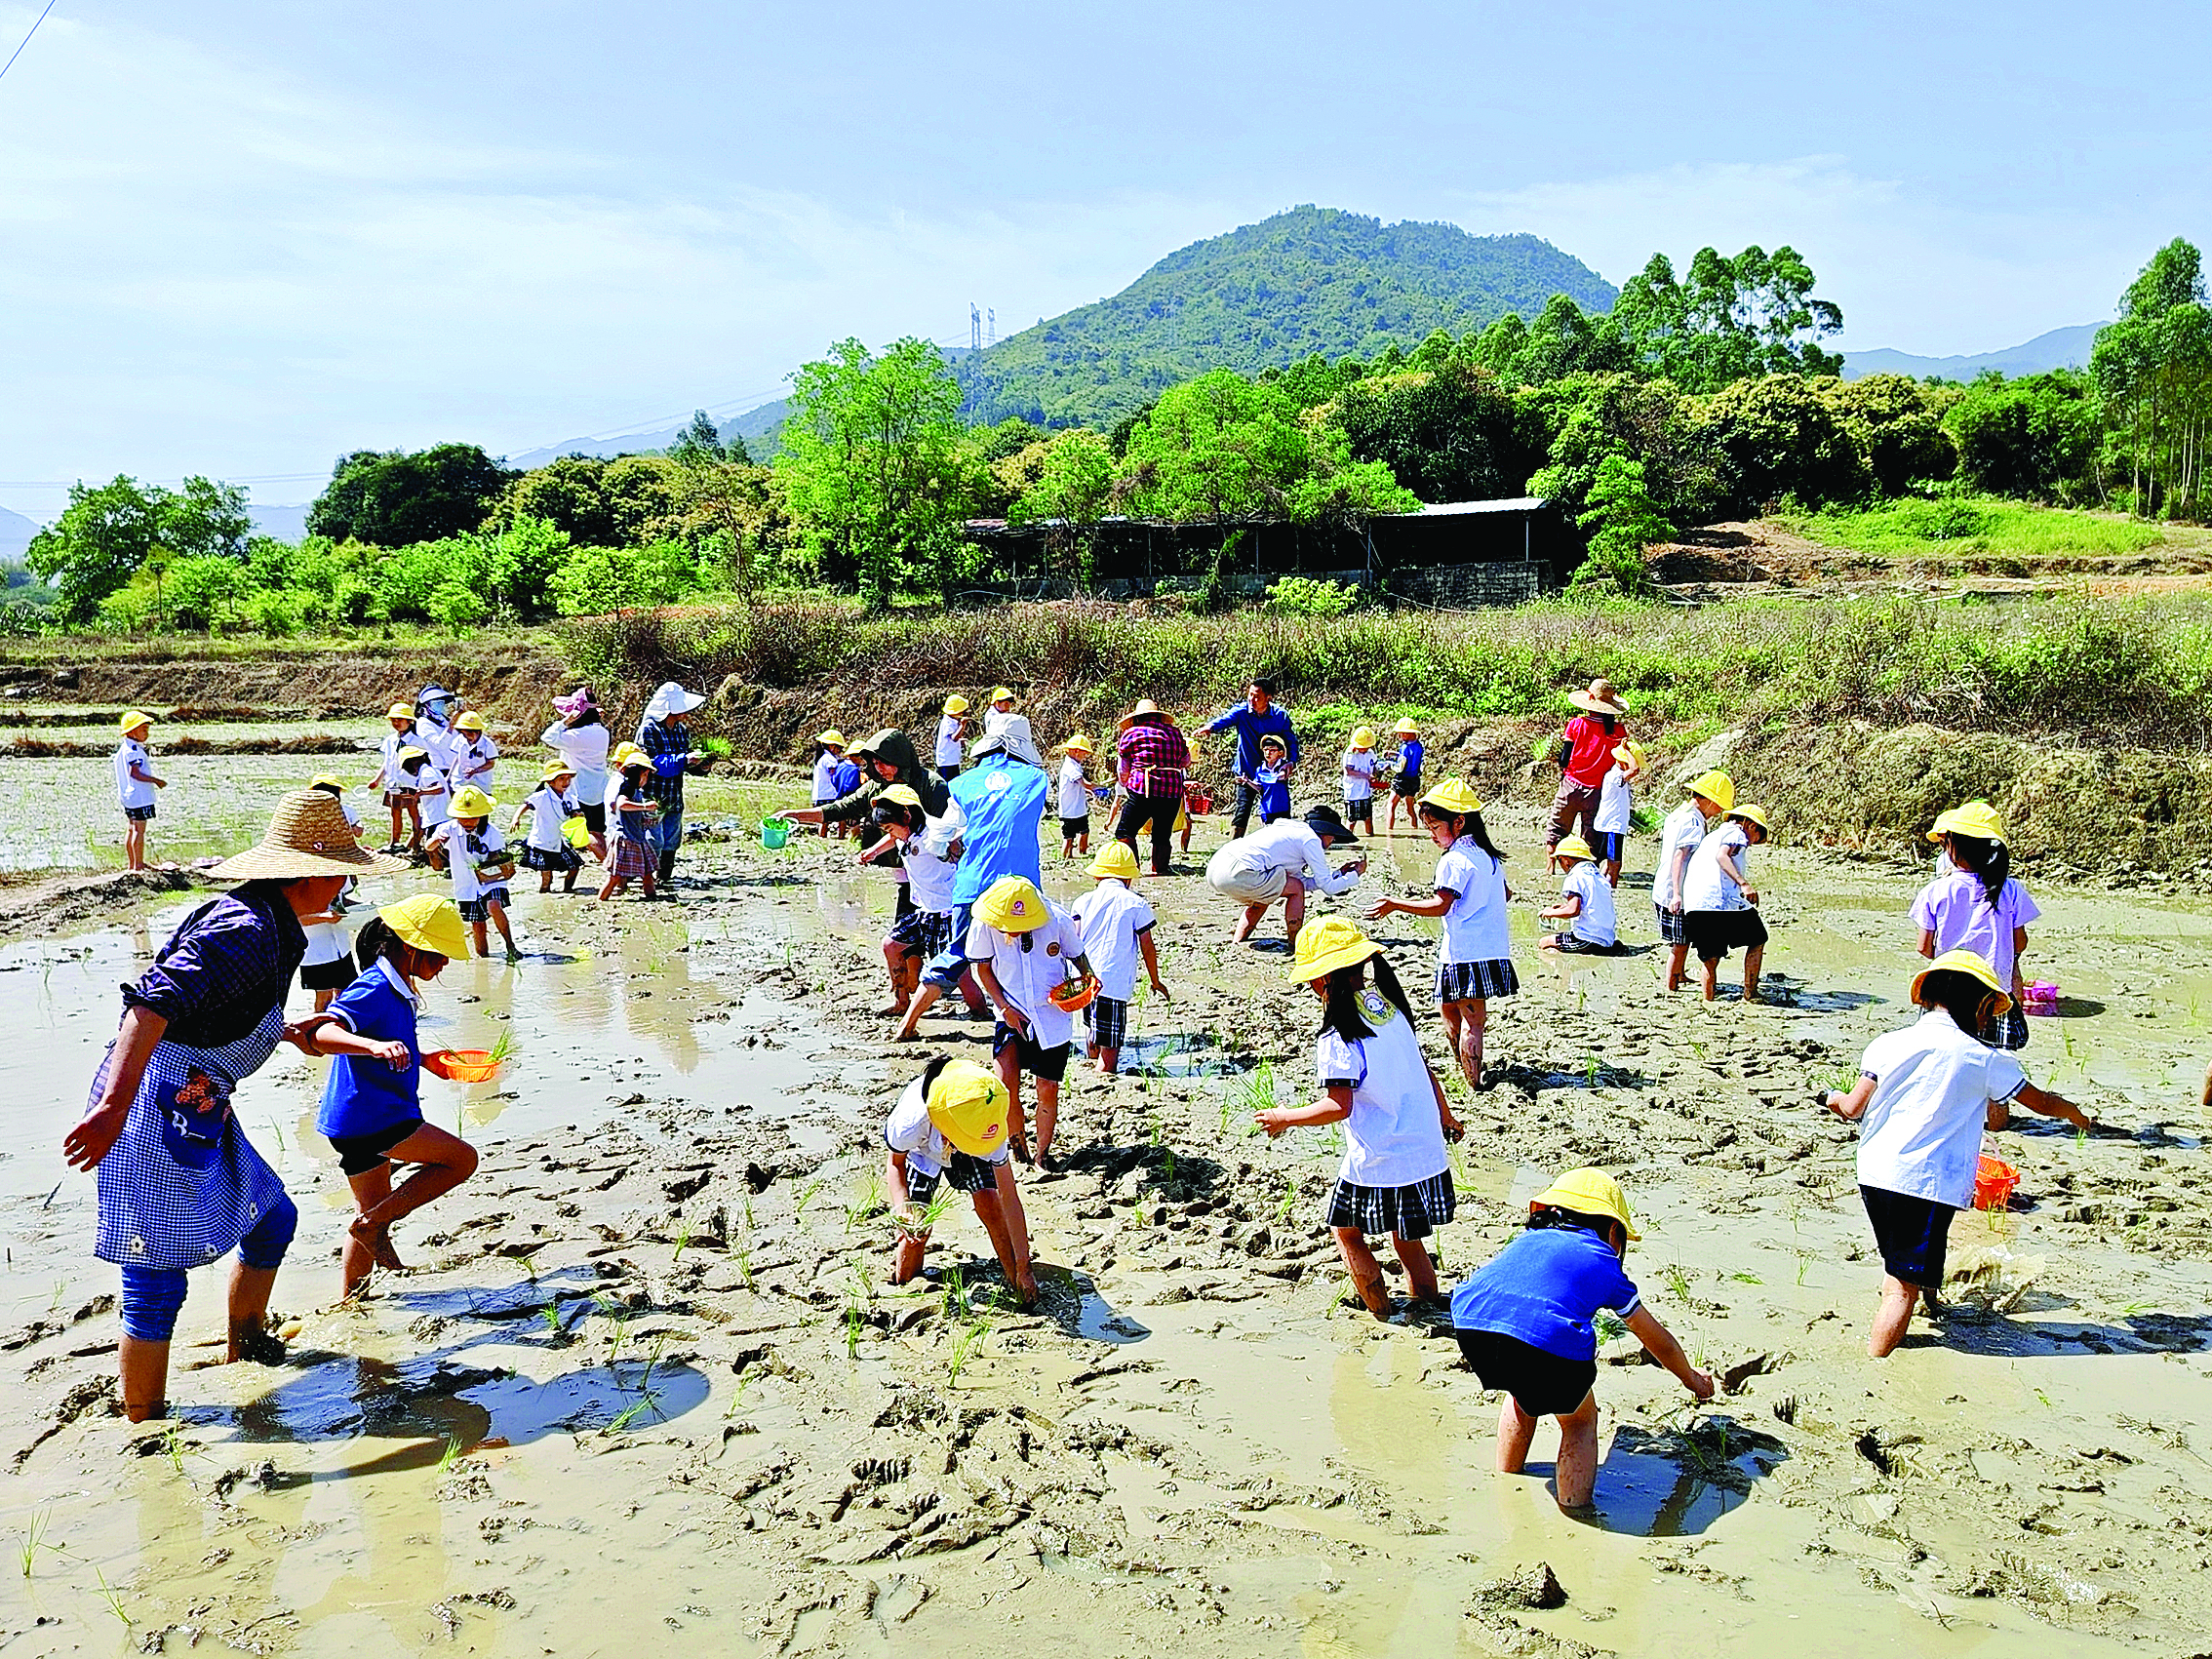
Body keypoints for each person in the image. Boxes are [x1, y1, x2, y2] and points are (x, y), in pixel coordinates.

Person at [60, 790, 399, 1421]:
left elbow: (214, 1010)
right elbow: (152, 1003)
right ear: (312, 871)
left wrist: (287, 1029)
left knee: (271, 1218)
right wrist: (112, 1105)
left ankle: (246, 1347)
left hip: (201, 1096)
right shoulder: (244, 929)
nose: (346, 883)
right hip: (155, 1099)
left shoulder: (279, 927)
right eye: (342, 870)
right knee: (155, 1275)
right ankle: (146, 1422)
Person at [1825, 951, 2096, 1358]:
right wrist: (2076, 1115)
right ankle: (1876, 1364)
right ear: (1980, 1006)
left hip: (1875, 1173)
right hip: (1925, 1182)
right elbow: (2040, 1102)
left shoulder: (1887, 1043)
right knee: (1901, 1287)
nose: (1988, 1022)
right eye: (1989, 1013)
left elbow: (1853, 1107)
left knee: (1903, 1257)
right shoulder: (1983, 1058)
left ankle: (1930, 1299)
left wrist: (1833, 1098)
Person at [1450, 1168, 1714, 1511]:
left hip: (1472, 1325)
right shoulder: (1603, 1261)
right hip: (1546, 1339)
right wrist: (1691, 1379)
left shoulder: (1528, 1239)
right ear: (1613, 1230)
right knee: (1579, 1419)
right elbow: (1654, 1338)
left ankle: (1507, 1479)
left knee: (1522, 1393)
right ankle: (1575, 1509)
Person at [1257, 917, 1463, 1318]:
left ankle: (1381, 1314)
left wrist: (1286, 1117)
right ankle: (1426, 1305)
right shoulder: (1390, 1008)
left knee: (1347, 1232)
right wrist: (1446, 1116)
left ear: (1320, 982)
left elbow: (1340, 1106)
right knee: (1406, 1237)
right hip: (1422, 1147)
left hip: (1382, 1155)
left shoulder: (1338, 1034)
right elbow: (1425, 1070)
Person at [299, 893, 481, 1297]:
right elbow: (322, 1033)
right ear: (411, 947)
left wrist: (423, 1059)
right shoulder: (375, 987)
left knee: (372, 1213)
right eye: (438, 955)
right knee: (461, 1160)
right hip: (374, 1115)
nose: (444, 964)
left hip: (353, 1117)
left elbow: (391, 1038)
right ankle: (373, 1226)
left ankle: (351, 1301)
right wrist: (372, 1048)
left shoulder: (398, 986)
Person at [896, 721, 1049, 1041]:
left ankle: (907, 1025)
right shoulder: (1037, 778)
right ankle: (1032, 1027)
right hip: (1019, 887)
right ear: (1018, 748)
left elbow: (940, 837)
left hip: (972, 884)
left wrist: (951, 851)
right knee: (1027, 953)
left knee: (957, 953)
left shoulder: (963, 783)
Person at [1364, 781, 1514, 1091]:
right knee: (1450, 1008)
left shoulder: (1454, 860)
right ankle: (1466, 1074)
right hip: (1489, 947)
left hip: (1464, 952)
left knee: (1471, 1020)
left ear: (1459, 822)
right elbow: (1506, 894)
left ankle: (1473, 1083)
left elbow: (1441, 905)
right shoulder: (1489, 857)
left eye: (1434, 827)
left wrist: (1395, 904)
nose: (1431, 834)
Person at [883, 1054, 1037, 1306]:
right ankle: (904, 1284)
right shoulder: (910, 1122)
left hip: (969, 1137)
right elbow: (895, 1164)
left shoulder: (987, 1124)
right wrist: (903, 1210)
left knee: (990, 1204)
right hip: (922, 1153)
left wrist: (1024, 1267)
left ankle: (1014, 1279)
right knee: (915, 1233)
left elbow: (1009, 1197)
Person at [967, 875, 1093, 1167]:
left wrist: (1086, 983)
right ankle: (1017, 1145)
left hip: (1052, 1015)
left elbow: (1079, 958)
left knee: (1047, 1087)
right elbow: (983, 969)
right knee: (1004, 1083)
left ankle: (1042, 1154)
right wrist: (1003, 1007)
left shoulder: (1056, 919)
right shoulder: (986, 924)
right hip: (1011, 1012)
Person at [1913, 803, 2040, 1050]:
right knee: (1993, 1055)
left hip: (1947, 992)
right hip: (1993, 990)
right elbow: (2020, 942)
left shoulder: (1935, 891)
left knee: (1943, 1051)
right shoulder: (2011, 889)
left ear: (1951, 847)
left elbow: (1924, 948)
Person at [860, 784, 968, 1019]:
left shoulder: (933, 834)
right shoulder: (903, 835)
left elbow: (958, 837)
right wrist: (873, 851)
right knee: (891, 945)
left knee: (959, 974)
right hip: (924, 911)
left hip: (946, 911)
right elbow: (892, 839)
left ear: (907, 816)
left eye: (891, 827)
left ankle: (980, 1012)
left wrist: (954, 849)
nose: (891, 833)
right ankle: (901, 1001)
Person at [1070, 842, 1167, 1075]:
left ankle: (1091, 1067)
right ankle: (1102, 1077)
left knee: (1092, 1030)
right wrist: (1155, 980)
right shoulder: (1135, 903)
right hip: (1112, 983)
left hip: (1084, 980)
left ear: (1098, 876)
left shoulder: (1082, 901)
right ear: (1128, 879)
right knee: (1110, 1049)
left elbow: (1073, 941)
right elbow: (1147, 946)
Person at [1207, 805, 1365, 947]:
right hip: (1239, 871)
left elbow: (1304, 882)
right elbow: (1328, 888)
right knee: (1294, 888)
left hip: (1218, 866)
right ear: (1325, 831)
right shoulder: (1310, 839)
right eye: (1334, 836)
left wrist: (1340, 874)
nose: (1333, 841)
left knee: (1266, 895)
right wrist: (1355, 874)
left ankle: (1238, 943)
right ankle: (1295, 942)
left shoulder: (1292, 832)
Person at [1680, 804, 1770, 1003]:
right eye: (1757, 838)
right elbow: (1722, 856)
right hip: (1722, 901)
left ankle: (1708, 1001)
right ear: (1751, 825)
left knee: (1710, 958)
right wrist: (1744, 884)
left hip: (1697, 903)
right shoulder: (1737, 832)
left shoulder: (1712, 836)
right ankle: (1750, 992)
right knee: (1758, 938)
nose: (1753, 843)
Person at [1656, 770, 1733, 994]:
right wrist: (1677, 894)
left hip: (1670, 886)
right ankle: (1670, 986)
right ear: (1708, 800)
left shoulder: (1681, 812)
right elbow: (1680, 856)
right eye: (1718, 806)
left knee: (1685, 938)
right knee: (1679, 944)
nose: (1719, 812)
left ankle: (1679, 975)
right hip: (1674, 889)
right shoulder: (1693, 821)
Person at [297, 776, 368, 1012]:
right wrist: (324, 917)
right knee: (323, 996)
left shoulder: (339, 877)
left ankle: (339, 1035)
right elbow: (294, 919)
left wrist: (364, 910)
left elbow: (343, 900)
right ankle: (317, 1038)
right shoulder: (301, 882)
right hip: (315, 948)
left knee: (347, 991)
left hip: (340, 945)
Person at [635, 681, 714, 886]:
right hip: (651, 794)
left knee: (671, 840)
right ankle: (647, 879)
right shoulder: (649, 729)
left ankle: (664, 878)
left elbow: (685, 764)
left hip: (673, 794)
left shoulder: (681, 730)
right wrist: (684, 760)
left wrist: (701, 766)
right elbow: (651, 763)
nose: (686, 712)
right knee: (654, 840)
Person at [1547, 680, 1631, 870]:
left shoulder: (1576, 724)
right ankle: (1587, 869)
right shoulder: (1618, 730)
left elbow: (1564, 759)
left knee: (1557, 829)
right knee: (1591, 836)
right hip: (1599, 791)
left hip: (1572, 786)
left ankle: (1550, 868)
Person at [426, 786, 517, 959]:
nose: (467, 822)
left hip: (491, 879)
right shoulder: (449, 829)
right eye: (463, 818)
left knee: (494, 906)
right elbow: (428, 846)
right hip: (466, 882)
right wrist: (437, 840)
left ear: (482, 815)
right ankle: (483, 957)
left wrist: (487, 863)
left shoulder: (492, 833)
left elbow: (499, 857)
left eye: (472, 818)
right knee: (477, 924)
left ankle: (510, 945)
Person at [1205, 679, 1299, 839]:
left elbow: (1291, 741)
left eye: (1256, 696)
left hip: (1273, 774)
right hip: (1246, 772)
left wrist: (1291, 761)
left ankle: (1283, 847)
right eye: (1250, 695)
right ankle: (1234, 848)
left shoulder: (1280, 716)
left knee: (1279, 813)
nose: (1251, 699)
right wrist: (1210, 727)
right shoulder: (1242, 712)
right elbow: (1225, 719)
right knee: (1242, 810)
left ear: (1268, 697)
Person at [1113, 699, 1190, 878]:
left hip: (1143, 789)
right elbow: (1185, 760)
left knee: (1125, 831)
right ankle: (1160, 869)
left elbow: (1123, 769)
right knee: (1162, 834)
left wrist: (1125, 784)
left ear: (1137, 718)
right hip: (1172, 790)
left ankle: (1132, 869)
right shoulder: (1174, 733)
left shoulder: (1131, 733)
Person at [540, 688, 611, 865]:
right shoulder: (602, 732)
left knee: (584, 836)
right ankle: (614, 865)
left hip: (579, 792)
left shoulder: (577, 737)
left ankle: (614, 872)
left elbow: (548, 737)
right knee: (597, 832)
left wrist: (566, 721)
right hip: (598, 789)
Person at [599, 745, 661, 902]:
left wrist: (647, 820)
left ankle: (652, 897)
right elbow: (621, 804)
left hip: (637, 837)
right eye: (646, 775)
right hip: (625, 839)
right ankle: (601, 900)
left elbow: (631, 814)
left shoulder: (636, 791)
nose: (647, 779)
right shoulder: (626, 788)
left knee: (648, 872)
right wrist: (646, 806)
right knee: (615, 875)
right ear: (642, 774)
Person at [514, 760, 585, 894]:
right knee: (547, 877)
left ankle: (568, 890)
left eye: (568, 778)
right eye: (561, 779)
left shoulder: (570, 798)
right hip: (542, 841)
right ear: (551, 782)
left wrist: (578, 815)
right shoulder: (542, 796)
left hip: (559, 840)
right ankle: (545, 894)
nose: (566, 782)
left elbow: (575, 813)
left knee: (574, 867)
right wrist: (516, 818)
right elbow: (526, 805)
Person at [1540, 835, 1617, 953]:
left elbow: (1573, 911)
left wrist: (1550, 913)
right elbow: (1590, 904)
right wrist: (1563, 907)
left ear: (1566, 860)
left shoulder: (1574, 877)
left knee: (1544, 942)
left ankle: (1560, 968)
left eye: (1559, 860)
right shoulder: (1597, 876)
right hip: (1608, 939)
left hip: (1587, 938)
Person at [372, 701, 425, 853]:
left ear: (409, 722)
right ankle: (394, 843)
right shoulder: (390, 741)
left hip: (410, 783)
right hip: (393, 783)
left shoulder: (418, 742)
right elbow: (387, 762)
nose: (396, 723)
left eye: (400, 720)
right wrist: (377, 779)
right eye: (393, 720)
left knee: (413, 812)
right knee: (395, 812)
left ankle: (416, 844)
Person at [115, 710, 165, 872]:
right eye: (143, 730)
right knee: (139, 830)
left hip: (129, 796)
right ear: (132, 731)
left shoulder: (124, 749)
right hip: (139, 796)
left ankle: (132, 864)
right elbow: (135, 773)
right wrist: (156, 781)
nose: (147, 733)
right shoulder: (134, 750)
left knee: (131, 828)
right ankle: (139, 865)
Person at [1591, 742, 1641, 888]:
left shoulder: (1618, 777)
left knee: (1608, 860)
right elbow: (1635, 769)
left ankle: (1603, 886)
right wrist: (1625, 750)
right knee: (1615, 862)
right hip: (1611, 825)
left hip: (1613, 824)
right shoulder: (1614, 776)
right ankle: (1612, 888)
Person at [396, 746, 450, 843]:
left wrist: (421, 792)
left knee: (433, 851)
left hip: (437, 819)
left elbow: (440, 788)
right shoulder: (430, 770)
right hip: (440, 817)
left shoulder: (426, 773)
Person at [1055, 734, 1096, 858]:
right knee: (1075, 836)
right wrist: (1098, 788)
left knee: (1072, 835)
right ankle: (1072, 855)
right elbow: (1084, 784)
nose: (1085, 757)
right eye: (1084, 754)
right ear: (1077, 751)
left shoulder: (1072, 765)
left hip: (1072, 808)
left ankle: (1075, 855)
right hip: (1073, 810)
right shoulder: (1071, 767)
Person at [413, 685, 464, 776]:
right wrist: (450, 727)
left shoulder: (444, 719)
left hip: (455, 766)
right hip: (440, 769)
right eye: (436, 703)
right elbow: (439, 745)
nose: (440, 705)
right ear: (427, 705)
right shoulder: (423, 723)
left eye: (441, 703)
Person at [1384, 718, 1423, 838]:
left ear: (1407, 733)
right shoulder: (1419, 746)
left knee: (1391, 805)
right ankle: (1414, 831)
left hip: (1402, 780)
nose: (1400, 735)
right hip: (1414, 780)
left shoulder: (1405, 747)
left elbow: (1400, 766)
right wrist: (1393, 753)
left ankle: (1389, 833)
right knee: (1410, 808)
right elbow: (1408, 758)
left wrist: (1389, 765)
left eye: (1401, 733)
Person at [1341, 726, 1379, 834]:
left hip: (1366, 792)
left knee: (1368, 818)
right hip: (1353, 793)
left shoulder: (1370, 753)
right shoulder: (1350, 754)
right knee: (1352, 820)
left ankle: (1370, 835)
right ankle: (1348, 840)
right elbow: (1349, 771)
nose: (1366, 749)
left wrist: (1375, 776)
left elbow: (1375, 767)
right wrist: (1365, 776)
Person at [1248, 732, 1293, 824]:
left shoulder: (1284, 766)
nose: (1268, 753)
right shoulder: (1260, 769)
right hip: (1266, 810)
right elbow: (1260, 788)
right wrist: (1247, 781)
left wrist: (1266, 777)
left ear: (1280, 753)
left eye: (1272, 750)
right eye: (1266, 750)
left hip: (1282, 809)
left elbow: (1280, 777)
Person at [451, 711, 497, 790]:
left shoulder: (488, 744)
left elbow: (491, 763)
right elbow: (456, 758)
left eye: (468, 734)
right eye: (463, 733)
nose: (465, 736)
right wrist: (449, 777)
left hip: (481, 785)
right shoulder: (459, 740)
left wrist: (475, 770)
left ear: (477, 732)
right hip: (460, 783)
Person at [934, 695, 969, 782]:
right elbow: (954, 738)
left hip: (952, 759)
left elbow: (949, 740)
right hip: (947, 761)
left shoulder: (952, 721)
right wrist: (962, 725)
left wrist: (961, 741)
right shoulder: (947, 722)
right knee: (950, 783)